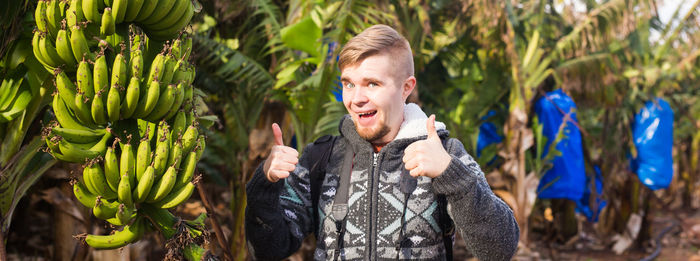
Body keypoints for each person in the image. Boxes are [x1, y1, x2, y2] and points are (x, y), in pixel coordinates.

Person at [245, 24, 519, 260]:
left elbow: (499, 249)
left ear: (406, 88)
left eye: (372, 84)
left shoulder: (445, 153)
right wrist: (265, 185)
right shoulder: (321, 157)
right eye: (349, 84)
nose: (356, 98)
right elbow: (267, 250)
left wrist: (452, 176)